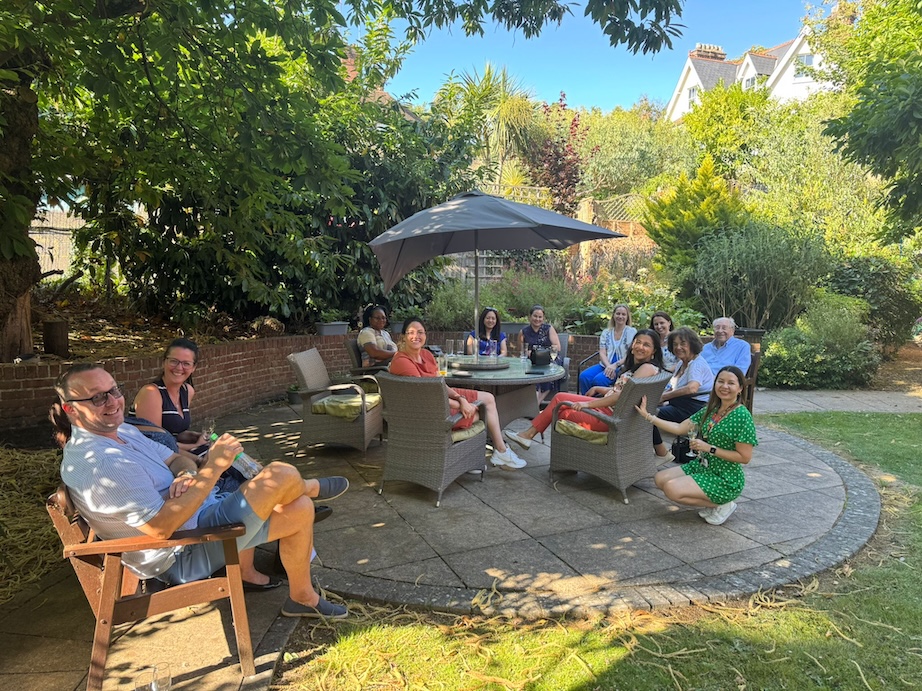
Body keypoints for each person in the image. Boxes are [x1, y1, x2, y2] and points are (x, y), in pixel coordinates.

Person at [50, 364, 351, 618]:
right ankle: (311, 487)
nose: (113, 402)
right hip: (181, 552)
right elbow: (161, 528)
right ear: (71, 410)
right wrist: (213, 468)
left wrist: (186, 473)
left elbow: (174, 458)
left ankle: (302, 599)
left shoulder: (121, 430)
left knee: (299, 509)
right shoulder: (100, 463)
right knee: (280, 475)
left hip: (201, 517)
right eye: (97, 398)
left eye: (114, 390)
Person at [389, 317, 526, 469]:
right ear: (403, 337)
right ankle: (478, 456)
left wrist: (460, 399)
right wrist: (462, 406)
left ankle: (499, 452)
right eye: (411, 333)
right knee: (481, 413)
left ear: (425, 335)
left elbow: (439, 384)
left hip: (438, 398)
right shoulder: (402, 361)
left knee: (488, 398)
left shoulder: (426, 355)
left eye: (420, 332)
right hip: (427, 411)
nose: (416, 336)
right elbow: (425, 395)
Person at [636, 365, 758, 525]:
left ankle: (723, 503)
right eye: (720, 381)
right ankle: (713, 501)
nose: (724, 386)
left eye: (731, 383)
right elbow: (680, 428)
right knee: (660, 479)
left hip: (725, 477)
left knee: (672, 489)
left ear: (740, 388)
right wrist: (648, 417)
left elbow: (745, 457)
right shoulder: (713, 409)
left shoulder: (742, 416)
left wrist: (709, 448)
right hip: (703, 466)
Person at [504, 330, 664, 449]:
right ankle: (529, 435)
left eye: (646, 345)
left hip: (610, 418)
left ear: (654, 351)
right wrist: (598, 388)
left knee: (560, 409)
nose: (640, 347)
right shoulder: (642, 367)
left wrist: (587, 405)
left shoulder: (647, 368)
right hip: (609, 410)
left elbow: (621, 396)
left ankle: (529, 435)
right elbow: (620, 390)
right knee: (560, 398)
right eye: (638, 342)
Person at [132, 338, 207, 454]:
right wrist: (196, 445)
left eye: (186, 363)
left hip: (172, 452)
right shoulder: (151, 392)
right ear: (164, 362)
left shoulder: (187, 391)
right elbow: (155, 442)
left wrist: (194, 436)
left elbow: (174, 431)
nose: (179, 367)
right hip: (152, 458)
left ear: (193, 368)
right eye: (173, 361)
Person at [653, 327, 714, 460]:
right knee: (646, 411)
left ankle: (661, 453)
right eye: (675, 344)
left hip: (694, 410)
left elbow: (692, 388)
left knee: (649, 416)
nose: (678, 347)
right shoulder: (682, 363)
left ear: (692, 345)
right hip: (680, 406)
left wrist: (664, 397)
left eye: (682, 344)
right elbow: (673, 386)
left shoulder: (696, 364)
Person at [578, 304, 637, 394]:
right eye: (618, 313)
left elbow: (631, 353)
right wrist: (609, 366)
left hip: (622, 366)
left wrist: (615, 365)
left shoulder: (631, 332)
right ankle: (586, 401)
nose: (620, 316)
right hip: (605, 365)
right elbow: (602, 352)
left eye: (623, 314)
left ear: (627, 317)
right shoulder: (606, 332)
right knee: (584, 376)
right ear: (613, 315)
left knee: (599, 380)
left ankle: (598, 404)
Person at [519, 305, 563, 404]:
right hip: (532, 360)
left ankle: (535, 405)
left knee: (548, 372)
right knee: (533, 373)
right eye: (535, 316)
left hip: (550, 358)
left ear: (543, 318)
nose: (537, 319)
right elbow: (522, 350)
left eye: (540, 317)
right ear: (530, 317)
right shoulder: (523, 332)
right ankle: (533, 406)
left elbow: (557, 347)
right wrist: (528, 353)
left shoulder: (548, 328)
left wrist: (539, 351)